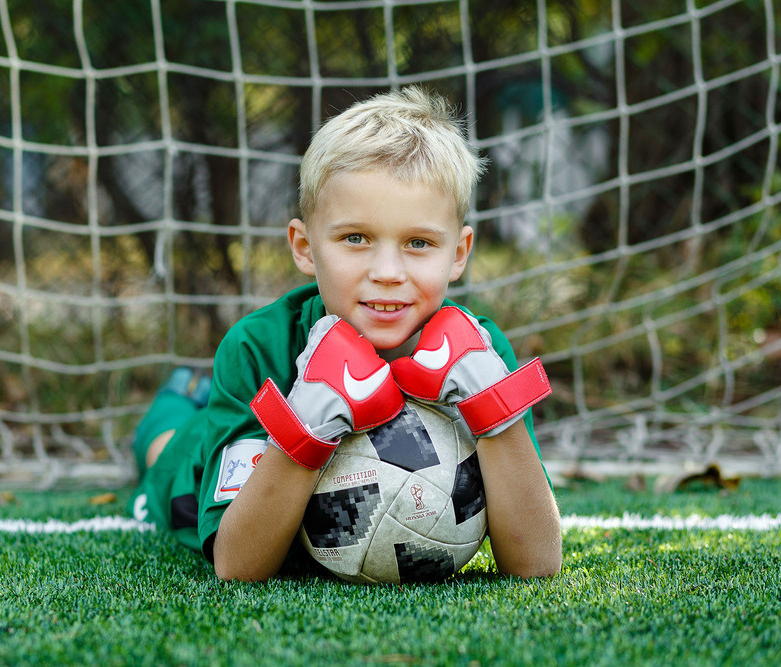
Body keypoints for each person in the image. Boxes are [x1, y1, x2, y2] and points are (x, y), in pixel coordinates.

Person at [128, 86, 562, 582]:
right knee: (165, 445)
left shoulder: (480, 352)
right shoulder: (257, 349)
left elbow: (537, 565)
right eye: (355, 238)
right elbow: (237, 568)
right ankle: (179, 396)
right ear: (304, 246)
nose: (387, 272)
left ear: (459, 253)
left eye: (419, 243)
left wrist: (493, 406)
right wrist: (306, 422)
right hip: (184, 470)